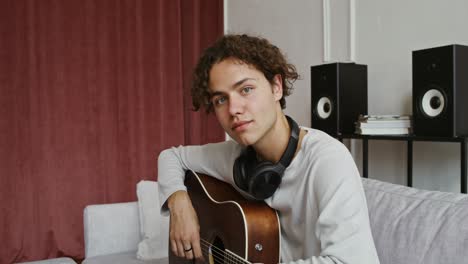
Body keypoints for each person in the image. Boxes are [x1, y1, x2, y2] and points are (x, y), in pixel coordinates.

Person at [157, 34, 380, 264]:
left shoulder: (328, 160)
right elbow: (171, 156)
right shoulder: (235, 156)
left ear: (276, 87)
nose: (233, 109)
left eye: (245, 89)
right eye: (221, 100)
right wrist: (179, 204)